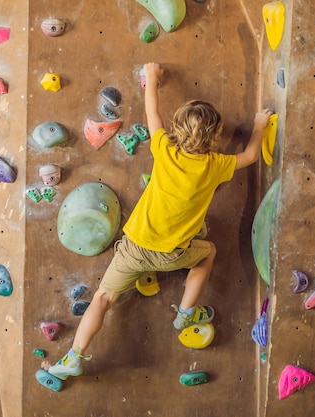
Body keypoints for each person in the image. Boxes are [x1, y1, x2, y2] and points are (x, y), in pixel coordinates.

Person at [47, 62, 273, 381]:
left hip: (135, 248)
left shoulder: (165, 150)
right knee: (207, 252)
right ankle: (184, 312)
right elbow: (249, 156)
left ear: (177, 131)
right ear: (215, 137)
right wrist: (259, 124)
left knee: (103, 298)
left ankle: (74, 357)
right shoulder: (215, 165)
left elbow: (153, 115)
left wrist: (151, 79)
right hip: (171, 254)